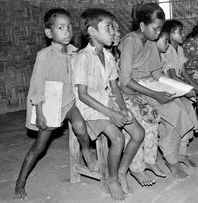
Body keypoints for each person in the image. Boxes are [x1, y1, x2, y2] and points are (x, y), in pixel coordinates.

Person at [13, 8, 94, 200]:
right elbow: (37, 85)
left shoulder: (75, 52)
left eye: (69, 27)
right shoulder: (44, 55)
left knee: (81, 127)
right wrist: (40, 112)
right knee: (39, 147)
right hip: (50, 104)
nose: (67, 31)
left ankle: (86, 151)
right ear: (49, 33)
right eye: (61, 27)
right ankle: (20, 183)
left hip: (69, 102)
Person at [72, 8, 144, 200]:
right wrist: (111, 114)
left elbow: (114, 87)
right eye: (108, 27)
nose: (113, 31)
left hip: (108, 102)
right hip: (89, 108)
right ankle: (112, 179)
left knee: (138, 133)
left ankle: (122, 171)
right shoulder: (82, 58)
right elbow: (83, 95)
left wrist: (122, 108)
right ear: (92, 31)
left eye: (113, 27)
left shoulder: (109, 56)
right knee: (118, 139)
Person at [119, 3, 197, 179]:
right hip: (134, 89)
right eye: (156, 29)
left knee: (186, 104)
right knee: (175, 111)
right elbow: (125, 79)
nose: (158, 33)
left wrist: (181, 89)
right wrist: (155, 94)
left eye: (161, 29)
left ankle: (179, 152)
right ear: (142, 26)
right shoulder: (129, 43)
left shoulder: (151, 43)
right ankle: (171, 160)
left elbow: (156, 73)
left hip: (152, 86)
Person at [107, 18, 166, 187]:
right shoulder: (107, 54)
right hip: (112, 99)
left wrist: (132, 94)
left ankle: (149, 159)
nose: (119, 35)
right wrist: (130, 96)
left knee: (152, 115)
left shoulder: (113, 53)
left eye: (118, 31)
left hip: (124, 93)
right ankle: (136, 167)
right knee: (134, 119)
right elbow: (115, 84)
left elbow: (121, 81)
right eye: (114, 31)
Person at [160, 19, 198, 145]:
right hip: (171, 82)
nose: (183, 34)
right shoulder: (169, 50)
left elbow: (183, 72)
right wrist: (190, 87)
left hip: (179, 79)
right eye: (180, 32)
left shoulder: (180, 50)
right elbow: (172, 77)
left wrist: (192, 84)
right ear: (171, 34)